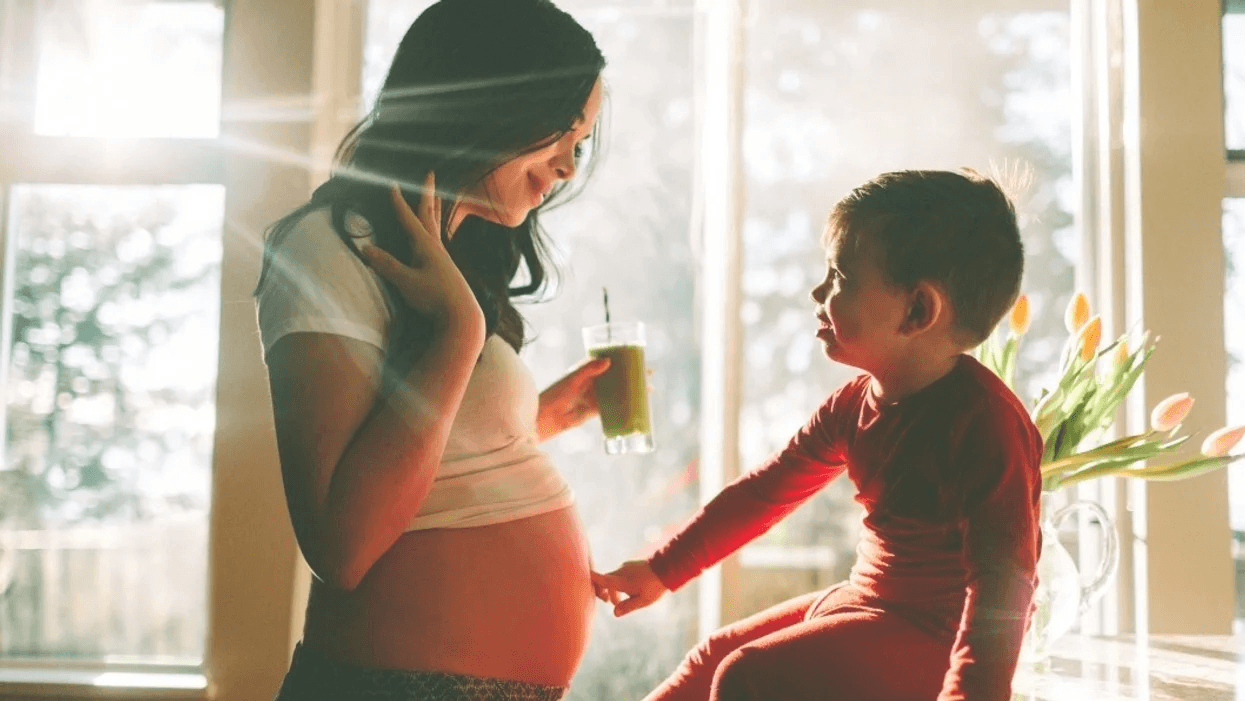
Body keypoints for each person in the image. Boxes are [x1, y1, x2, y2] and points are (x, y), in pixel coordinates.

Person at [253, 0, 610, 698]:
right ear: (488, 104)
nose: (569, 166)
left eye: (582, 141)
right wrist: (458, 334)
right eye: (561, 133)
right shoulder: (331, 248)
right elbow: (343, 545)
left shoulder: (455, 262)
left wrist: (538, 419)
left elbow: (424, 466)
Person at [593, 169, 1045, 701]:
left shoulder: (985, 423)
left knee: (747, 676)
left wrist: (969, 696)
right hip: (865, 601)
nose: (818, 290)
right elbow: (767, 492)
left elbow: (1004, 582)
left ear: (918, 310)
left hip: (935, 639)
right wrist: (662, 569)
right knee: (709, 660)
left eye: (839, 278)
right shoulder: (853, 403)